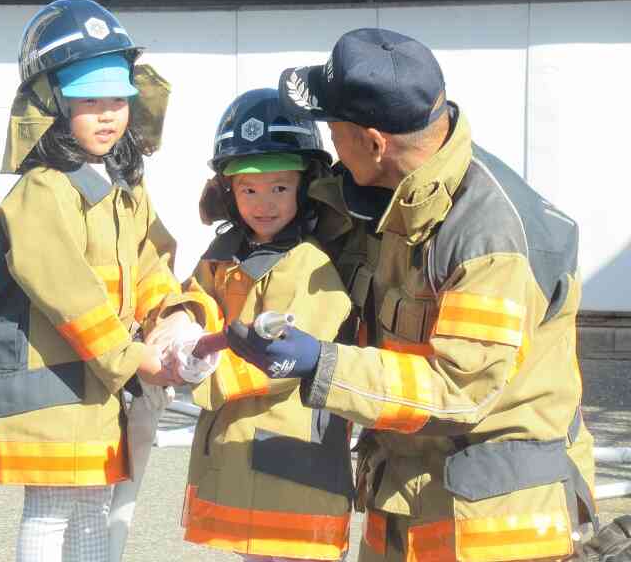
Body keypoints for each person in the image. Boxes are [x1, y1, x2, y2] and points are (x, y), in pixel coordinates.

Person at [225, 28, 597, 561]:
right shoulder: (391, 195)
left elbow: (458, 390)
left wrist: (320, 364)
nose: (330, 144)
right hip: (410, 500)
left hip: (495, 531)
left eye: (334, 129)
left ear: (375, 142)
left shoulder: (489, 241)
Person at [0, 0, 197, 562]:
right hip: (54, 388)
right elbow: (69, 293)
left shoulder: (122, 183)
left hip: (97, 384)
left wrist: (169, 315)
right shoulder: (43, 191)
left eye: (117, 98)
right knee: (50, 510)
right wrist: (134, 356)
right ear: (50, 103)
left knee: (92, 506)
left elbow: (150, 258)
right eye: (88, 99)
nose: (108, 113)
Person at [157, 88, 354, 562]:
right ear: (229, 191)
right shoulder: (223, 255)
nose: (263, 204)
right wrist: (184, 324)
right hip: (242, 455)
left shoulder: (309, 265)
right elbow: (193, 296)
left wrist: (205, 374)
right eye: (248, 189)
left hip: (293, 461)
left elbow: (281, 358)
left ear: (305, 187)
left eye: (279, 188)